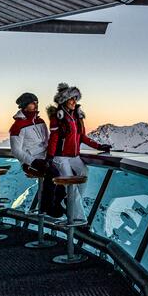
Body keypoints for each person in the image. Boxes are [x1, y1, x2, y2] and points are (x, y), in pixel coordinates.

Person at [46, 83, 111, 221]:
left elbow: (82, 137)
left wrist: (99, 146)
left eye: (76, 98)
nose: (74, 102)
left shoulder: (77, 117)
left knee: (84, 173)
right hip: (61, 157)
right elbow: (54, 138)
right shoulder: (58, 117)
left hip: (74, 157)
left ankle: (68, 202)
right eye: (71, 99)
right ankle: (80, 219)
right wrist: (50, 157)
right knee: (71, 184)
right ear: (64, 100)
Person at [9, 92, 64, 217]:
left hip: (45, 158)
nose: (36, 105)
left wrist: (51, 155)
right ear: (24, 106)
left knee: (65, 168)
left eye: (37, 102)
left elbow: (47, 141)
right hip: (30, 162)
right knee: (53, 172)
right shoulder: (17, 126)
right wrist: (33, 161)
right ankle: (47, 206)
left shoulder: (40, 121)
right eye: (32, 103)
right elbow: (16, 151)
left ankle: (60, 201)